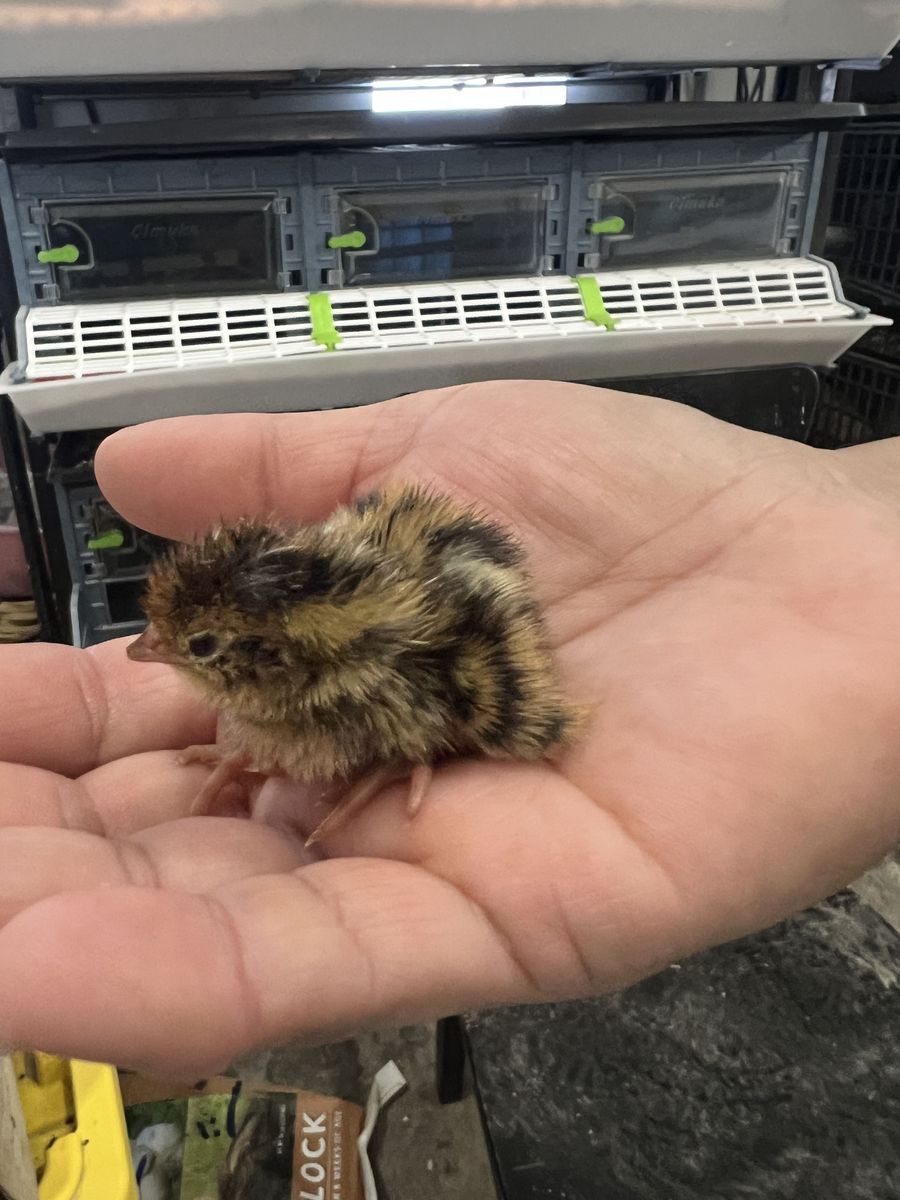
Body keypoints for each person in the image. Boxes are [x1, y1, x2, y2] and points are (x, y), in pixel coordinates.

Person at [1, 379, 899, 1077]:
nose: (148, 650)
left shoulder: (358, 674)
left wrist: (409, 749)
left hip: (410, 660)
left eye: (192, 644)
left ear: (274, 661)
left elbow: (457, 691)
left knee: (491, 718)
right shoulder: (309, 653)